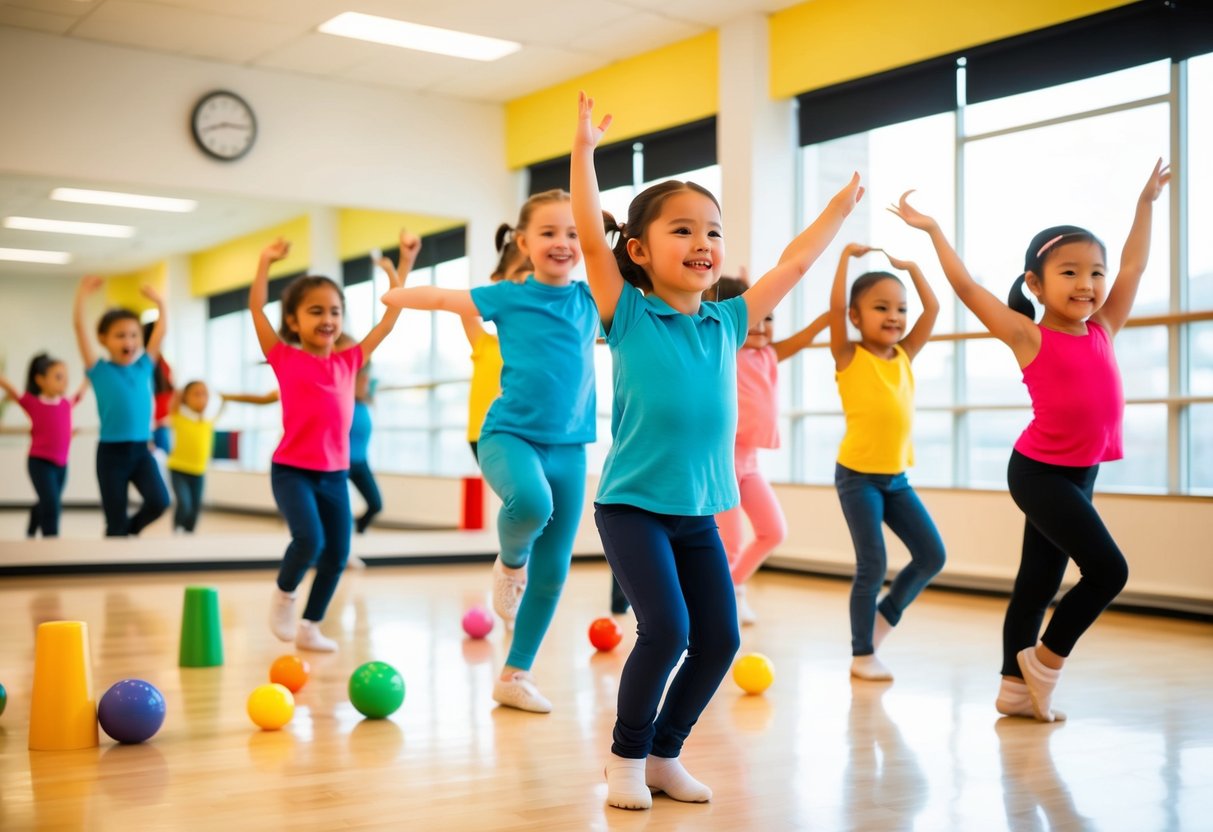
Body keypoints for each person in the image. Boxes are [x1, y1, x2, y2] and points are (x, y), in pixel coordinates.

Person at [571, 91, 862, 810]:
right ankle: (625, 758)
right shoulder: (627, 311)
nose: (703, 243)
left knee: (720, 639)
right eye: (682, 230)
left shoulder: (729, 321)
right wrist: (583, 154)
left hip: (698, 510)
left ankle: (666, 753)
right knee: (665, 630)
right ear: (638, 251)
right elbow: (586, 230)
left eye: (712, 231)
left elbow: (793, 267)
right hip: (632, 505)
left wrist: (835, 212)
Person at [891, 159, 1171, 721]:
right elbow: (967, 286)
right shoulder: (1027, 333)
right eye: (1069, 273)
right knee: (1109, 572)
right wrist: (934, 231)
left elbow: (1135, 266)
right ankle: (1046, 661)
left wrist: (1144, 205)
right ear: (1035, 285)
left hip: (1080, 471)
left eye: (1095, 272)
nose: (1088, 284)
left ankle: (1014, 692)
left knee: (1037, 582)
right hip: (1038, 472)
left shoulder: (1103, 327)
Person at [383, 190, 598, 714]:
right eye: (548, 233)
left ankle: (514, 675)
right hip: (509, 435)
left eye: (573, 233)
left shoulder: (594, 300)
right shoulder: (509, 294)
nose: (562, 243)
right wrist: (396, 295)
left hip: (571, 447)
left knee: (555, 571)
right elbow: (443, 300)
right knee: (531, 503)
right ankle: (508, 561)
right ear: (523, 243)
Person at [251, 231, 419, 652]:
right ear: (293, 321)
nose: (327, 319)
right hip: (292, 471)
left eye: (335, 311)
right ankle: (285, 594)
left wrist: (403, 263)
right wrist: (265, 263)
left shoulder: (350, 360)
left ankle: (310, 626)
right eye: (315, 311)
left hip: (334, 474)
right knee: (309, 539)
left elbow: (390, 318)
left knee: (338, 552)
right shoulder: (283, 356)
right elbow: (255, 307)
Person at [828, 244, 946, 681]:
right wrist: (844, 259)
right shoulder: (848, 355)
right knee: (872, 564)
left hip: (896, 479)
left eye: (899, 309)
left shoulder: (905, 355)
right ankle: (863, 655)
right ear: (856, 317)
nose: (894, 317)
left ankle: (884, 617)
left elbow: (932, 307)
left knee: (931, 555)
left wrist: (913, 267)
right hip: (857, 478)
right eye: (881, 308)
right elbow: (836, 305)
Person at [710, 270, 830, 625]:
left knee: (773, 531)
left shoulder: (768, 356)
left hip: (750, 464)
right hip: (723, 463)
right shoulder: (724, 351)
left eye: (770, 318)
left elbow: (800, 340)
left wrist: (827, 318)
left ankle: (731, 589)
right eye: (754, 319)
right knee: (729, 544)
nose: (762, 326)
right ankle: (715, 604)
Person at [73, 275, 171, 536]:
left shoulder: (144, 366)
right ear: (103, 339)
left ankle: (129, 530)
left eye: (133, 335)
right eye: (119, 336)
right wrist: (82, 294)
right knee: (114, 520)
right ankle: (119, 535)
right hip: (111, 455)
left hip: (141, 451)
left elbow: (161, 331)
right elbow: (79, 329)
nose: (128, 342)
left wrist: (161, 303)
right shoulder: (99, 370)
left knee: (160, 502)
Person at [166, 381, 275, 533]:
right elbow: (174, 404)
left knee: (196, 506)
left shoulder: (208, 421)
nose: (201, 398)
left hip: (199, 471)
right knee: (184, 503)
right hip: (178, 469)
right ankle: (177, 529)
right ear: (185, 398)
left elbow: (221, 406)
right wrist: (177, 392)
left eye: (204, 394)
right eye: (196, 394)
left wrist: (224, 396)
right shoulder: (179, 418)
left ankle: (188, 534)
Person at [463, 223, 531, 462]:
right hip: (484, 433)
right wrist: (502, 289)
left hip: (528, 432)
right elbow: (466, 308)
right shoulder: (485, 343)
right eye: (522, 273)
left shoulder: (540, 343)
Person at [0, 354, 88, 537]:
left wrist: (91, 373)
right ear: (40, 380)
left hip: (62, 465)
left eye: (66, 377)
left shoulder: (66, 403)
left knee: (49, 500)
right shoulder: (32, 403)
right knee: (52, 504)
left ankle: (34, 518)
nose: (64, 382)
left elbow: (80, 393)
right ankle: (51, 540)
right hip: (39, 462)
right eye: (58, 377)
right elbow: (11, 388)